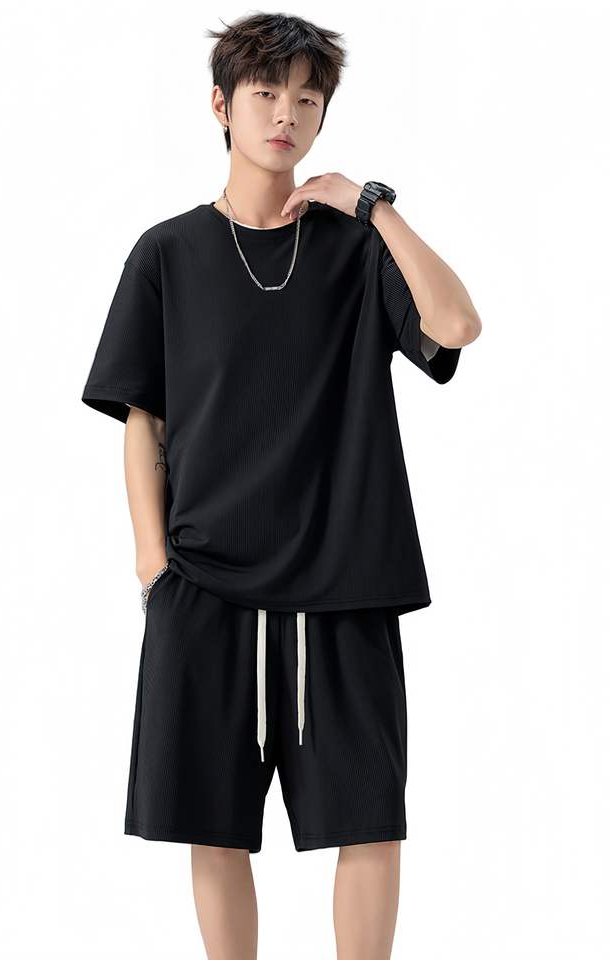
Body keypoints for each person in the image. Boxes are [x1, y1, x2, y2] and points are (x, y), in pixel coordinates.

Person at [81, 11, 481, 959]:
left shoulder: (357, 249)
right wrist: (153, 565)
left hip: (346, 581)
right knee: (213, 823)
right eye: (265, 93)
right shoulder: (167, 254)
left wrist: (373, 207)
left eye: (306, 97)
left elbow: (457, 326)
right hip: (203, 583)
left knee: (368, 817)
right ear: (221, 105)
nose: (285, 114)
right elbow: (143, 420)